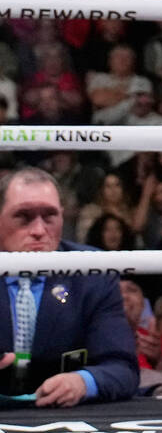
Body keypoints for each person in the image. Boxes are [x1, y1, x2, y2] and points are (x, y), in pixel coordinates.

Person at [0, 167, 139, 405]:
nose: (38, 231)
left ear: (62, 217)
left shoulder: (92, 271)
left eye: (49, 216)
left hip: (65, 420)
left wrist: (85, 381)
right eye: (23, 217)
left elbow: (122, 367)